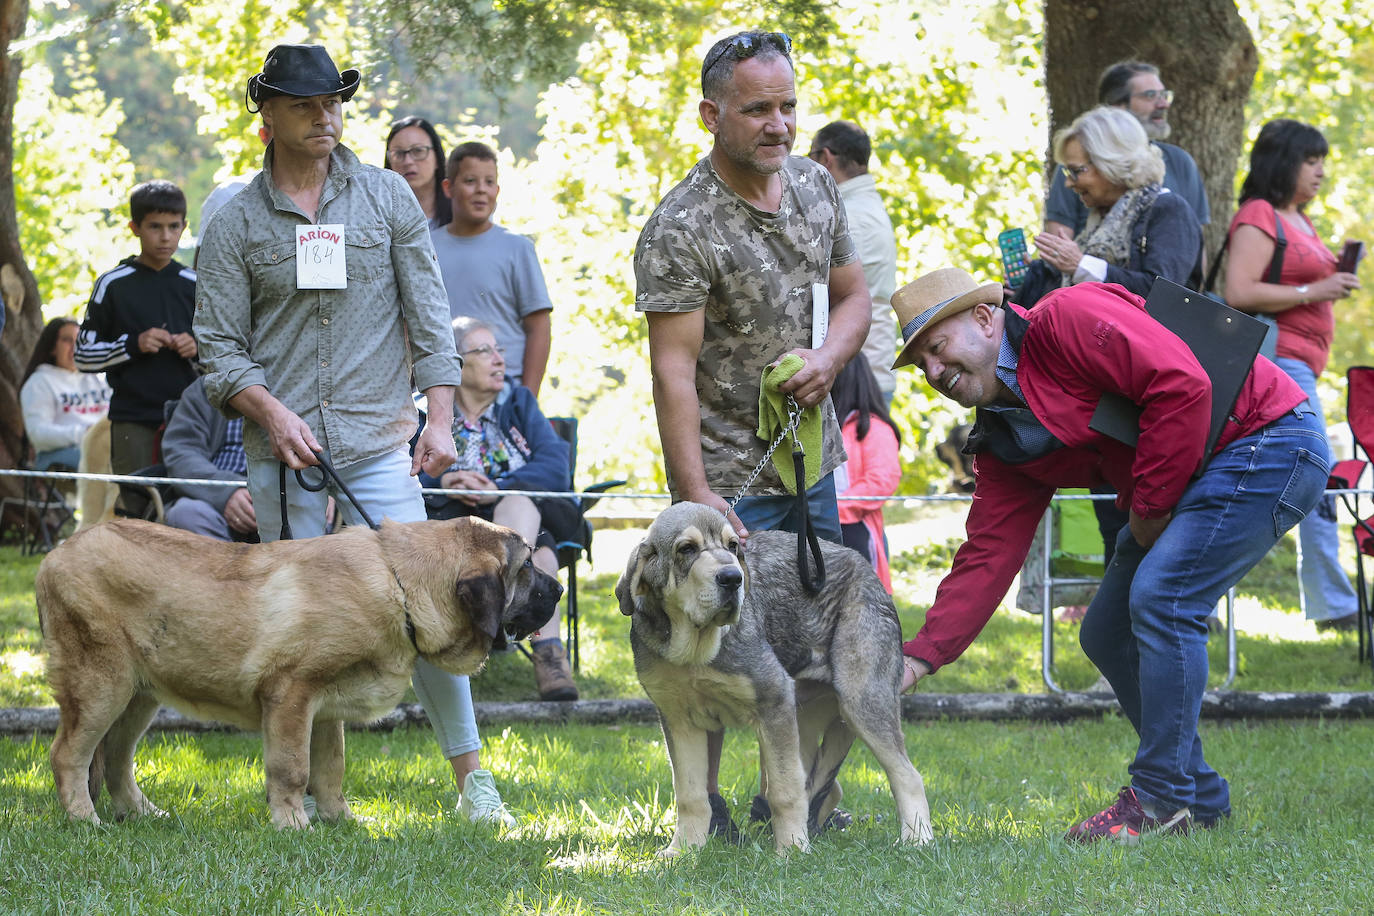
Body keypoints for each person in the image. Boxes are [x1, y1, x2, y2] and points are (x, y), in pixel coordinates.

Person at [194, 43, 513, 827]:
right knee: (308, 633)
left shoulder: (386, 199)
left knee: (430, 605)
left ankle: (475, 786)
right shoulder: (232, 219)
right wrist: (268, 412)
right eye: (305, 103)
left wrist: (440, 418)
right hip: (287, 455)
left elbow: (431, 318)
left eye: (333, 101)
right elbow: (219, 350)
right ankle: (322, 798)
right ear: (265, 113)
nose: (325, 114)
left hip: (379, 442)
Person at [893, 267, 1326, 843]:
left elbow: (1181, 383)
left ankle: (1160, 798)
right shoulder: (1004, 437)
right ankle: (1197, 799)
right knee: (1105, 632)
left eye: (937, 349)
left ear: (983, 317)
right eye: (921, 364)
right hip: (1195, 477)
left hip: (1270, 439)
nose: (934, 372)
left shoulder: (1065, 317)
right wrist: (920, 658)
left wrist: (1146, 512)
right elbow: (988, 554)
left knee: (1164, 598)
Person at [633, 29, 871, 838]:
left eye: (789, 106)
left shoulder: (814, 184)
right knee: (709, 651)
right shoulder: (680, 226)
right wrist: (696, 495)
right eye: (758, 109)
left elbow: (854, 298)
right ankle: (709, 814)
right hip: (728, 480)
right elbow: (672, 370)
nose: (779, 124)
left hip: (813, 462)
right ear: (711, 114)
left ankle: (807, 803)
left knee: (810, 656)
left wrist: (833, 356)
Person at [1223, 119, 1361, 632]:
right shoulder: (1259, 214)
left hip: (1301, 364)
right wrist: (1314, 291)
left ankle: (1330, 600)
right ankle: (1333, 603)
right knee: (1315, 468)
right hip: (1278, 363)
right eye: (1311, 160)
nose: (1321, 170)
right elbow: (1240, 291)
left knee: (1311, 470)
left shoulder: (1299, 218)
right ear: (1284, 162)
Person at [419, 317, 578, 700]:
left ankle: (520, 630)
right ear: (456, 363)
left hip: (518, 518)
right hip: (450, 525)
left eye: (499, 350)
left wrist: (499, 488)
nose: (499, 360)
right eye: (484, 351)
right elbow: (398, 471)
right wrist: (444, 483)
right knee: (540, 554)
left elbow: (556, 464)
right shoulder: (427, 411)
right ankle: (546, 649)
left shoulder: (518, 402)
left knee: (524, 515)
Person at [74, 180, 198, 477]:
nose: (165, 237)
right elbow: (82, 355)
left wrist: (196, 348)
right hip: (132, 418)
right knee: (139, 508)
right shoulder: (113, 284)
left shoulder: (195, 284)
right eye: (155, 227)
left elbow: (226, 352)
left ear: (184, 226)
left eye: (173, 226)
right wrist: (133, 345)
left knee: (188, 503)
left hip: (191, 418)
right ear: (134, 227)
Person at [1019, 106, 1202, 305]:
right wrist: (1028, 284)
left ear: (1111, 164)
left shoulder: (1170, 210)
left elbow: (1162, 296)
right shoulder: (1101, 221)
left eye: (1075, 171)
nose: (1068, 183)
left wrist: (1081, 266)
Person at [431, 141, 552, 395]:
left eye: (489, 182)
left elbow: (539, 326)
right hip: (442, 388)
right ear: (448, 187)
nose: (481, 191)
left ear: (497, 190)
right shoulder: (426, 247)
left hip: (505, 388)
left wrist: (527, 397)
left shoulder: (518, 248)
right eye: (470, 181)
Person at [1043, 60, 1209, 241]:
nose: (1163, 104)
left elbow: (1195, 244)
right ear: (1117, 107)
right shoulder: (1076, 169)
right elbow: (1058, 248)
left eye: (1164, 95)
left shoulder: (1180, 162)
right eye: (1150, 95)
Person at [808, 120, 900, 407]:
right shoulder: (868, 208)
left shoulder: (848, 216)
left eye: (811, 159)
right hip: (870, 368)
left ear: (826, 158)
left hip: (856, 379)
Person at [831, 352, 899, 592]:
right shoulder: (830, 428)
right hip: (826, 526)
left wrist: (837, 509)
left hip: (855, 530)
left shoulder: (873, 428)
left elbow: (881, 481)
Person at [160, 377, 259, 543]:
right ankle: (227, 569)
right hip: (213, 499)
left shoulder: (305, 385)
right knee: (185, 514)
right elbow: (180, 453)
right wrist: (226, 493)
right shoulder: (207, 386)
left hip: (286, 497)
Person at [20, 317, 111, 470]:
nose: (75, 347)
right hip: (61, 454)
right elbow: (38, 434)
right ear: (52, 347)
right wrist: (85, 433)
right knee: (108, 460)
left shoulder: (98, 378)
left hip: (104, 446)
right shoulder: (39, 382)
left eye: (79, 341)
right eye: (67, 340)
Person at [384, 116, 452, 230]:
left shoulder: (461, 212)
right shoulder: (376, 215)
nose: (408, 161)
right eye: (398, 153)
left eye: (418, 151)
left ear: (437, 157)